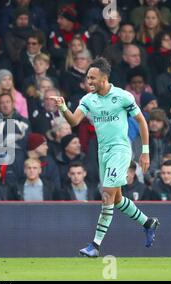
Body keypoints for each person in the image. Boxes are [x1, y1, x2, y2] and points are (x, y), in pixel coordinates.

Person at [53, 57, 160, 257]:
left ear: (104, 78)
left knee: (107, 195)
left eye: (92, 78)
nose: (89, 82)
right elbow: (74, 121)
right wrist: (62, 108)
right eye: (87, 78)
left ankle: (95, 245)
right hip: (103, 152)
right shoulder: (88, 99)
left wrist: (145, 152)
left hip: (120, 149)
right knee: (117, 199)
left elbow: (142, 122)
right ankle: (148, 223)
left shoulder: (122, 96)